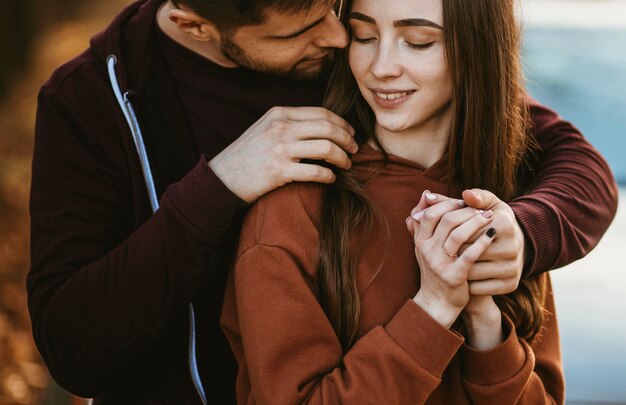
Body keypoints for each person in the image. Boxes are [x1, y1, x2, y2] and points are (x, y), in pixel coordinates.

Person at [28, 0, 617, 403]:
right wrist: (220, 187)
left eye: (338, 15)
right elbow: (73, 347)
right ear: (194, 24)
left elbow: (571, 158)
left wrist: (522, 236)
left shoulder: (375, 65)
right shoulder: (91, 104)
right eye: (302, 30)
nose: (338, 41)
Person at [219, 0, 617, 403]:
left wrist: (484, 321)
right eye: (364, 36)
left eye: (418, 41)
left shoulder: (501, 208)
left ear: (476, 50)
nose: (381, 67)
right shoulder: (292, 209)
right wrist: (434, 309)